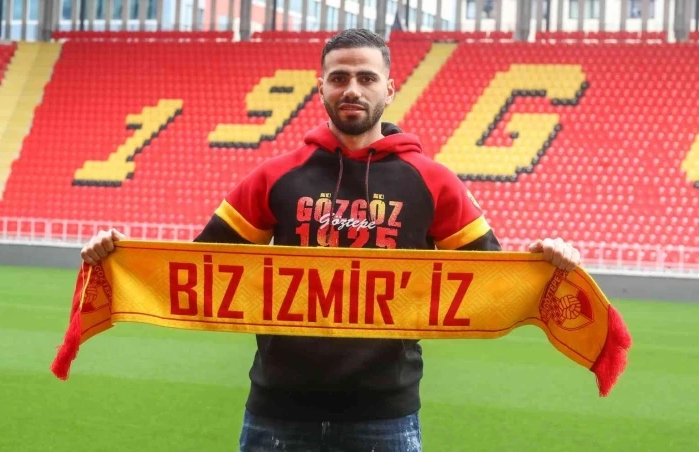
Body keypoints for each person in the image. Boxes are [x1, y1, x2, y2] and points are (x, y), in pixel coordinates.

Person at [81, 28, 581, 452]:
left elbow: (490, 275)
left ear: (389, 88)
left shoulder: (433, 181)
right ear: (320, 87)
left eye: (366, 78)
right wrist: (119, 255)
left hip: (384, 416)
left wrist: (547, 261)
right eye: (339, 78)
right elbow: (199, 266)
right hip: (277, 412)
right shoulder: (275, 176)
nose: (352, 89)